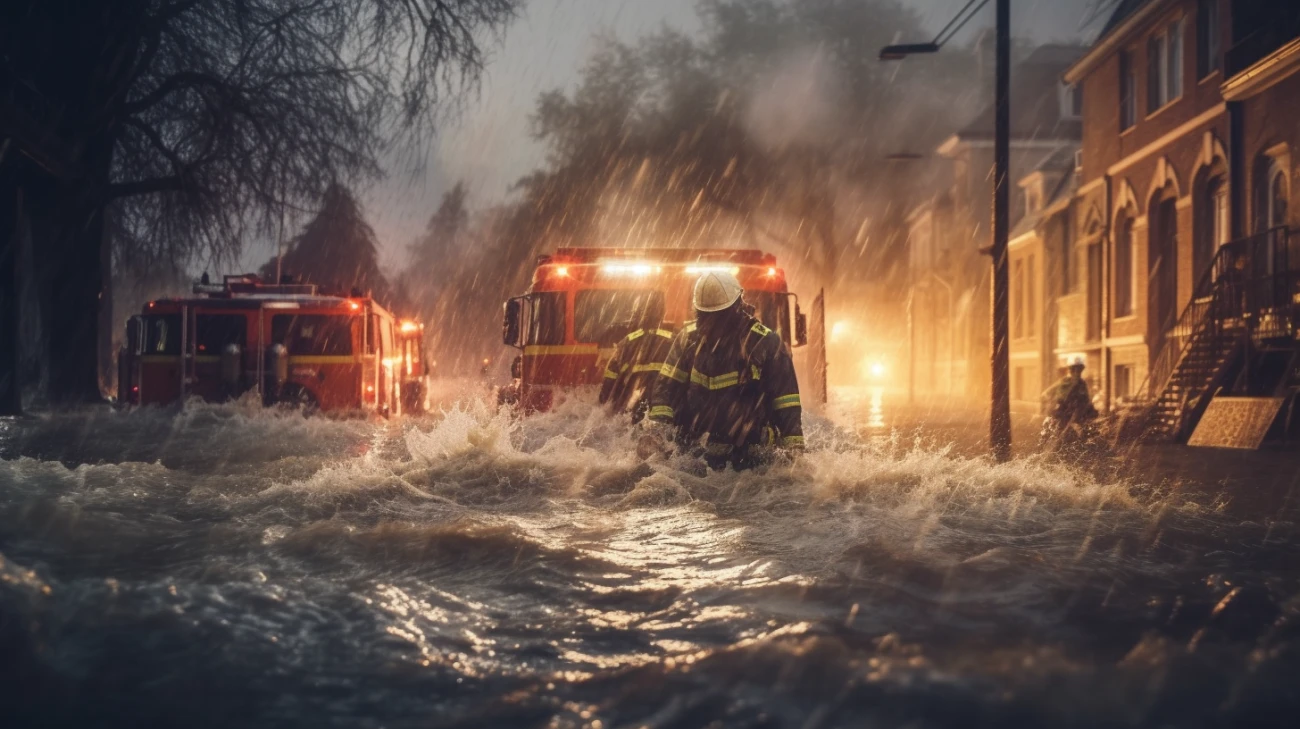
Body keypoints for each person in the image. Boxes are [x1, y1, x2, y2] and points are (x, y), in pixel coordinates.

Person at [641, 270, 804, 469]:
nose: (711, 324)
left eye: (718, 317)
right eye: (705, 317)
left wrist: (795, 457)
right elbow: (665, 389)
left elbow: (787, 404)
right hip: (696, 454)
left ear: (737, 308)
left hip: (751, 455)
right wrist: (659, 432)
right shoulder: (687, 340)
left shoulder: (766, 343)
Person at [599, 296, 673, 422]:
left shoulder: (627, 342)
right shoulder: (672, 340)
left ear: (638, 315)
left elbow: (611, 375)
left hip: (632, 402)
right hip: (663, 406)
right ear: (661, 316)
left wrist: (604, 398)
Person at [1042, 356, 1098, 433]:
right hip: (1061, 415)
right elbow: (1046, 393)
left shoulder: (1082, 384)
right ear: (1071, 370)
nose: (1077, 372)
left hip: (1077, 416)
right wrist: (1052, 403)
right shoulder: (1063, 381)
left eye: (1079, 370)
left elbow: (1086, 400)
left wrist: (1088, 408)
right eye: (1074, 370)